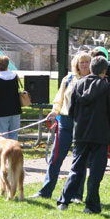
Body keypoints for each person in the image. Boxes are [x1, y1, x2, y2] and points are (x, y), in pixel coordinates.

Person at [57, 56, 110, 214]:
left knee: (76, 168)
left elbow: (71, 111)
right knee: (96, 172)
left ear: (91, 68)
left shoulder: (78, 84)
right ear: (104, 71)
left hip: (81, 133)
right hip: (100, 134)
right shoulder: (107, 88)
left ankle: (63, 201)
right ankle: (91, 205)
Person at [30, 52, 92, 200]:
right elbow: (59, 99)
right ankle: (45, 191)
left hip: (83, 124)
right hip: (65, 121)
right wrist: (53, 112)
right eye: (81, 62)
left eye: (87, 62)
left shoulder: (93, 80)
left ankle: (77, 195)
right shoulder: (68, 79)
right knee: (55, 158)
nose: (84, 64)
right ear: (76, 64)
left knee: (80, 161)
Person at [0, 55, 22, 140]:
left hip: (1, 112)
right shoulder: (14, 76)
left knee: (3, 137)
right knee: (14, 136)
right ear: (7, 64)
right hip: (15, 110)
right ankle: (14, 153)